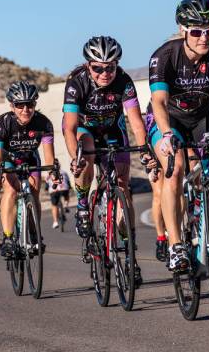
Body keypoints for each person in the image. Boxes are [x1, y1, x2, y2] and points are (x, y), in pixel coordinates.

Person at [62, 36, 152, 286]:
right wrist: (75, 159)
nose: (104, 73)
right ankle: (82, 203)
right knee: (86, 148)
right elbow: (69, 128)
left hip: (113, 129)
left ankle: (129, 251)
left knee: (123, 183)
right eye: (98, 68)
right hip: (84, 130)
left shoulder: (123, 81)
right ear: (88, 66)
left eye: (110, 67)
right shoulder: (76, 82)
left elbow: (136, 121)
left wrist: (145, 150)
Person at [146, 0, 209, 272]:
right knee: (175, 166)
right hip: (169, 118)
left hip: (203, 117)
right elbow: (158, 102)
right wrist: (167, 134)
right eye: (196, 31)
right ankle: (176, 245)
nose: (204, 38)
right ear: (183, 30)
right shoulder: (165, 56)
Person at [0, 81, 55, 258]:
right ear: (12, 106)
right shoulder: (2, 124)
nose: (26, 109)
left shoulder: (44, 124)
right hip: (6, 159)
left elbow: (49, 157)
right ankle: (8, 238)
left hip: (29, 158)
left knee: (34, 191)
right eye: (20, 105)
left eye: (30, 104)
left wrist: (52, 173)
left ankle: (34, 233)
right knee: (10, 190)